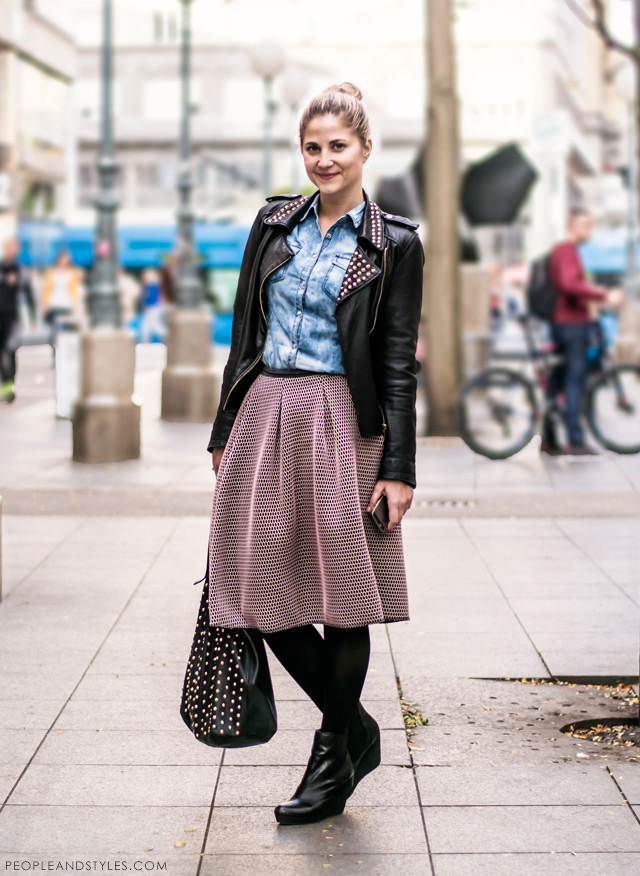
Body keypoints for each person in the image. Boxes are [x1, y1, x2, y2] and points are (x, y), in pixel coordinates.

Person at [202, 82, 424, 825]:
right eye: (313, 146)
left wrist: (399, 468)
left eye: (338, 146)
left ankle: (332, 756)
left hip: (342, 419)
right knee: (252, 582)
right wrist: (223, 428)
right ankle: (355, 726)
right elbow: (242, 330)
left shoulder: (394, 244)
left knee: (341, 591)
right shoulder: (273, 225)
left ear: (365, 150)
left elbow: (397, 359)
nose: (324, 159)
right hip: (266, 409)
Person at [541, 208, 624, 456]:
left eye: (591, 225)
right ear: (571, 225)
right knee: (574, 380)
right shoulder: (566, 250)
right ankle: (575, 440)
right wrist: (603, 294)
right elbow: (569, 284)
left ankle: (550, 439)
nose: (589, 230)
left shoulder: (566, 251)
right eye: (584, 225)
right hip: (572, 324)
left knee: (558, 382)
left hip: (565, 322)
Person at [0, 237, 35, 402]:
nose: (10, 250)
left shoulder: (21, 271)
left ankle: (10, 384)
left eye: (13, 247)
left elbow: (29, 294)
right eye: (7, 247)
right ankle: (6, 383)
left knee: (11, 350)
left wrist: (33, 316)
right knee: (1, 351)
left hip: (12, 316)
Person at [40, 249, 83, 361]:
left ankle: (65, 355)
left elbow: (74, 290)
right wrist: (44, 304)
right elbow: (47, 289)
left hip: (67, 305)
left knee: (68, 331)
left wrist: (76, 305)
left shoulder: (72, 272)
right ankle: (55, 355)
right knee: (55, 331)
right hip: (54, 304)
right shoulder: (51, 272)